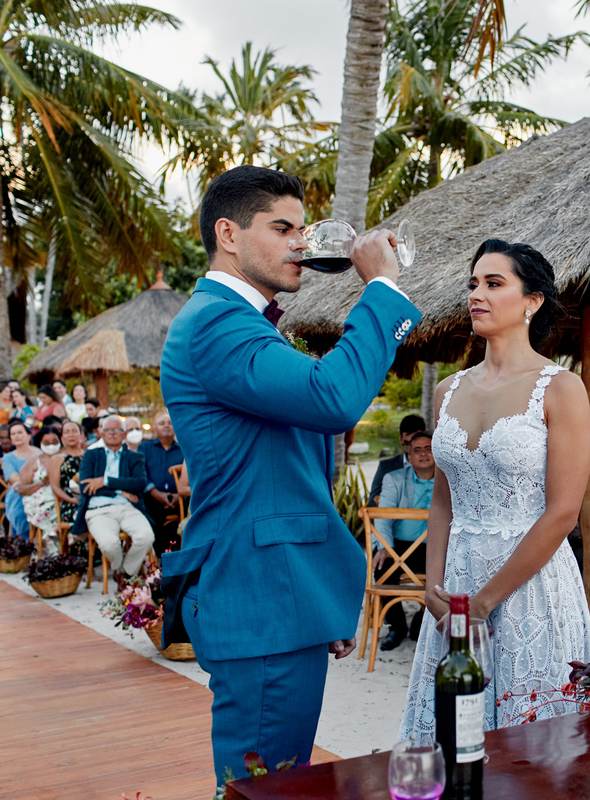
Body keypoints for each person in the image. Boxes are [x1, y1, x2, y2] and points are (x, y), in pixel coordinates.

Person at [159, 164, 421, 785]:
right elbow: (332, 398)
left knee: (283, 779)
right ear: (228, 233)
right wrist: (379, 290)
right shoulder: (216, 325)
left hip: (283, 595)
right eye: (283, 228)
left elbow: (286, 468)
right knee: (265, 785)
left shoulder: (248, 325)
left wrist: (317, 598)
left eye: (303, 229)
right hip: (260, 596)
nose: (301, 244)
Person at [400, 238, 590, 740]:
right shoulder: (448, 390)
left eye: (493, 283)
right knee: (451, 741)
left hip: (531, 590)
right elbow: (443, 501)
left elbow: (563, 514)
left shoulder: (562, 389)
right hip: (456, 587)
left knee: (534, 753)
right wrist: (432, 589)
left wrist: (484, 603)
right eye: (472, 284)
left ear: (532, 301)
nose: (476, 295)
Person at [373, 431, 436, 651]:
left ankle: (423, 619)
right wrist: (385, 547)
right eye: (416, 450)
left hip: (436, 548)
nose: (423, 454)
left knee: (454, 572)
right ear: (409, 458)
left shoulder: (449, 480)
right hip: (400, 547)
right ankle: (397, 627)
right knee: (381, 566)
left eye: (428, 448)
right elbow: (383, 516)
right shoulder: (393, 479)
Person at [72, 416, 155, 579]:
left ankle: (125, 573)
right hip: (99, 510)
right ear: (101, 434)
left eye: (117, 430)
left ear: (124, 435)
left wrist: (105, 481)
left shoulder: (134, 457)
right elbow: (85, 488)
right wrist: (120, 490)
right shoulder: (91, 455)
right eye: (108, 430)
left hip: (128, 508)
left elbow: (139, 483)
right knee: (110, 544)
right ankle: (118, 568)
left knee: (146, 537)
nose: (112, 433)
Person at [140, 412, 184, 554]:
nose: (166, 425)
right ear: (154, 429)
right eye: (162, 423)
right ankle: (154, 564)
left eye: (170, 422)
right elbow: (141, 473)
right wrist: (155, 493)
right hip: (151, 500)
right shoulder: (144, 448)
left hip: (179, 500)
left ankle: (174, 565)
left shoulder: (184, 449)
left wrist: (179, 495)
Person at [17, 425, 64, 554]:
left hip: (62, 497)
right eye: (47, 443)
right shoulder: (34, 462)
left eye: (55, 442)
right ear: (40, 443)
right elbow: (21, 489)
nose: (51, 445)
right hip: (39, 500)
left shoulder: (66, 459)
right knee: (51, 505)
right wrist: (42, 483)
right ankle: (53, 545)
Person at [369, 414, 427, 504]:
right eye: (407, 444)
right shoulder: (386, 466)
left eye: (416, 447)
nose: (411, 450)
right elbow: (373, 502)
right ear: (400, 439)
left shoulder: (434, 465)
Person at [2, 420, 41, 538]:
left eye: (19, 432)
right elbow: (14, 479)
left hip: (41, 489)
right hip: (19, 492)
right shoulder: (8, 458)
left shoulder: (40, 453)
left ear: (29, 435)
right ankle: (23, 540)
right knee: (19, 504)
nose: (16, 436)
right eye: (13, 434)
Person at [50, 419, 86, 528]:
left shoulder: (89, 456)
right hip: (70, 503)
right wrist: (73, 501)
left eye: (74, 431)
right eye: (67, 432)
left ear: (81, 436)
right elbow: (55, 487)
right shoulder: (57, 459)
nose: (71, 435)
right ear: (62, 438)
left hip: (92, 502)